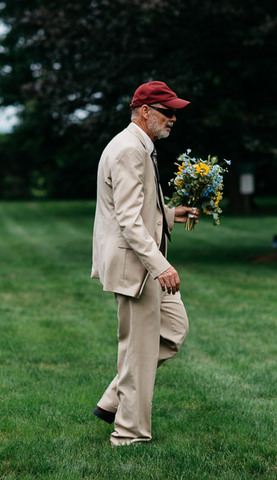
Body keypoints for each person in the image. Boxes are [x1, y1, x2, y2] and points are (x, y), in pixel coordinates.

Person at [91, 81, 198, 446]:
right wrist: (160, 266)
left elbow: (139, 209)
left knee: (173, 329)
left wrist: (170, 213)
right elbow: (128, 219)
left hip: (144, 262)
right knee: (138, 349)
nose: (173, 119)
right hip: (136, 266)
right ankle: (128, 433)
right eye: (168, 112)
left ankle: (112, 400)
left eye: (175, 113)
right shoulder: (128, 149)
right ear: (146, 111)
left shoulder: (140, 146)